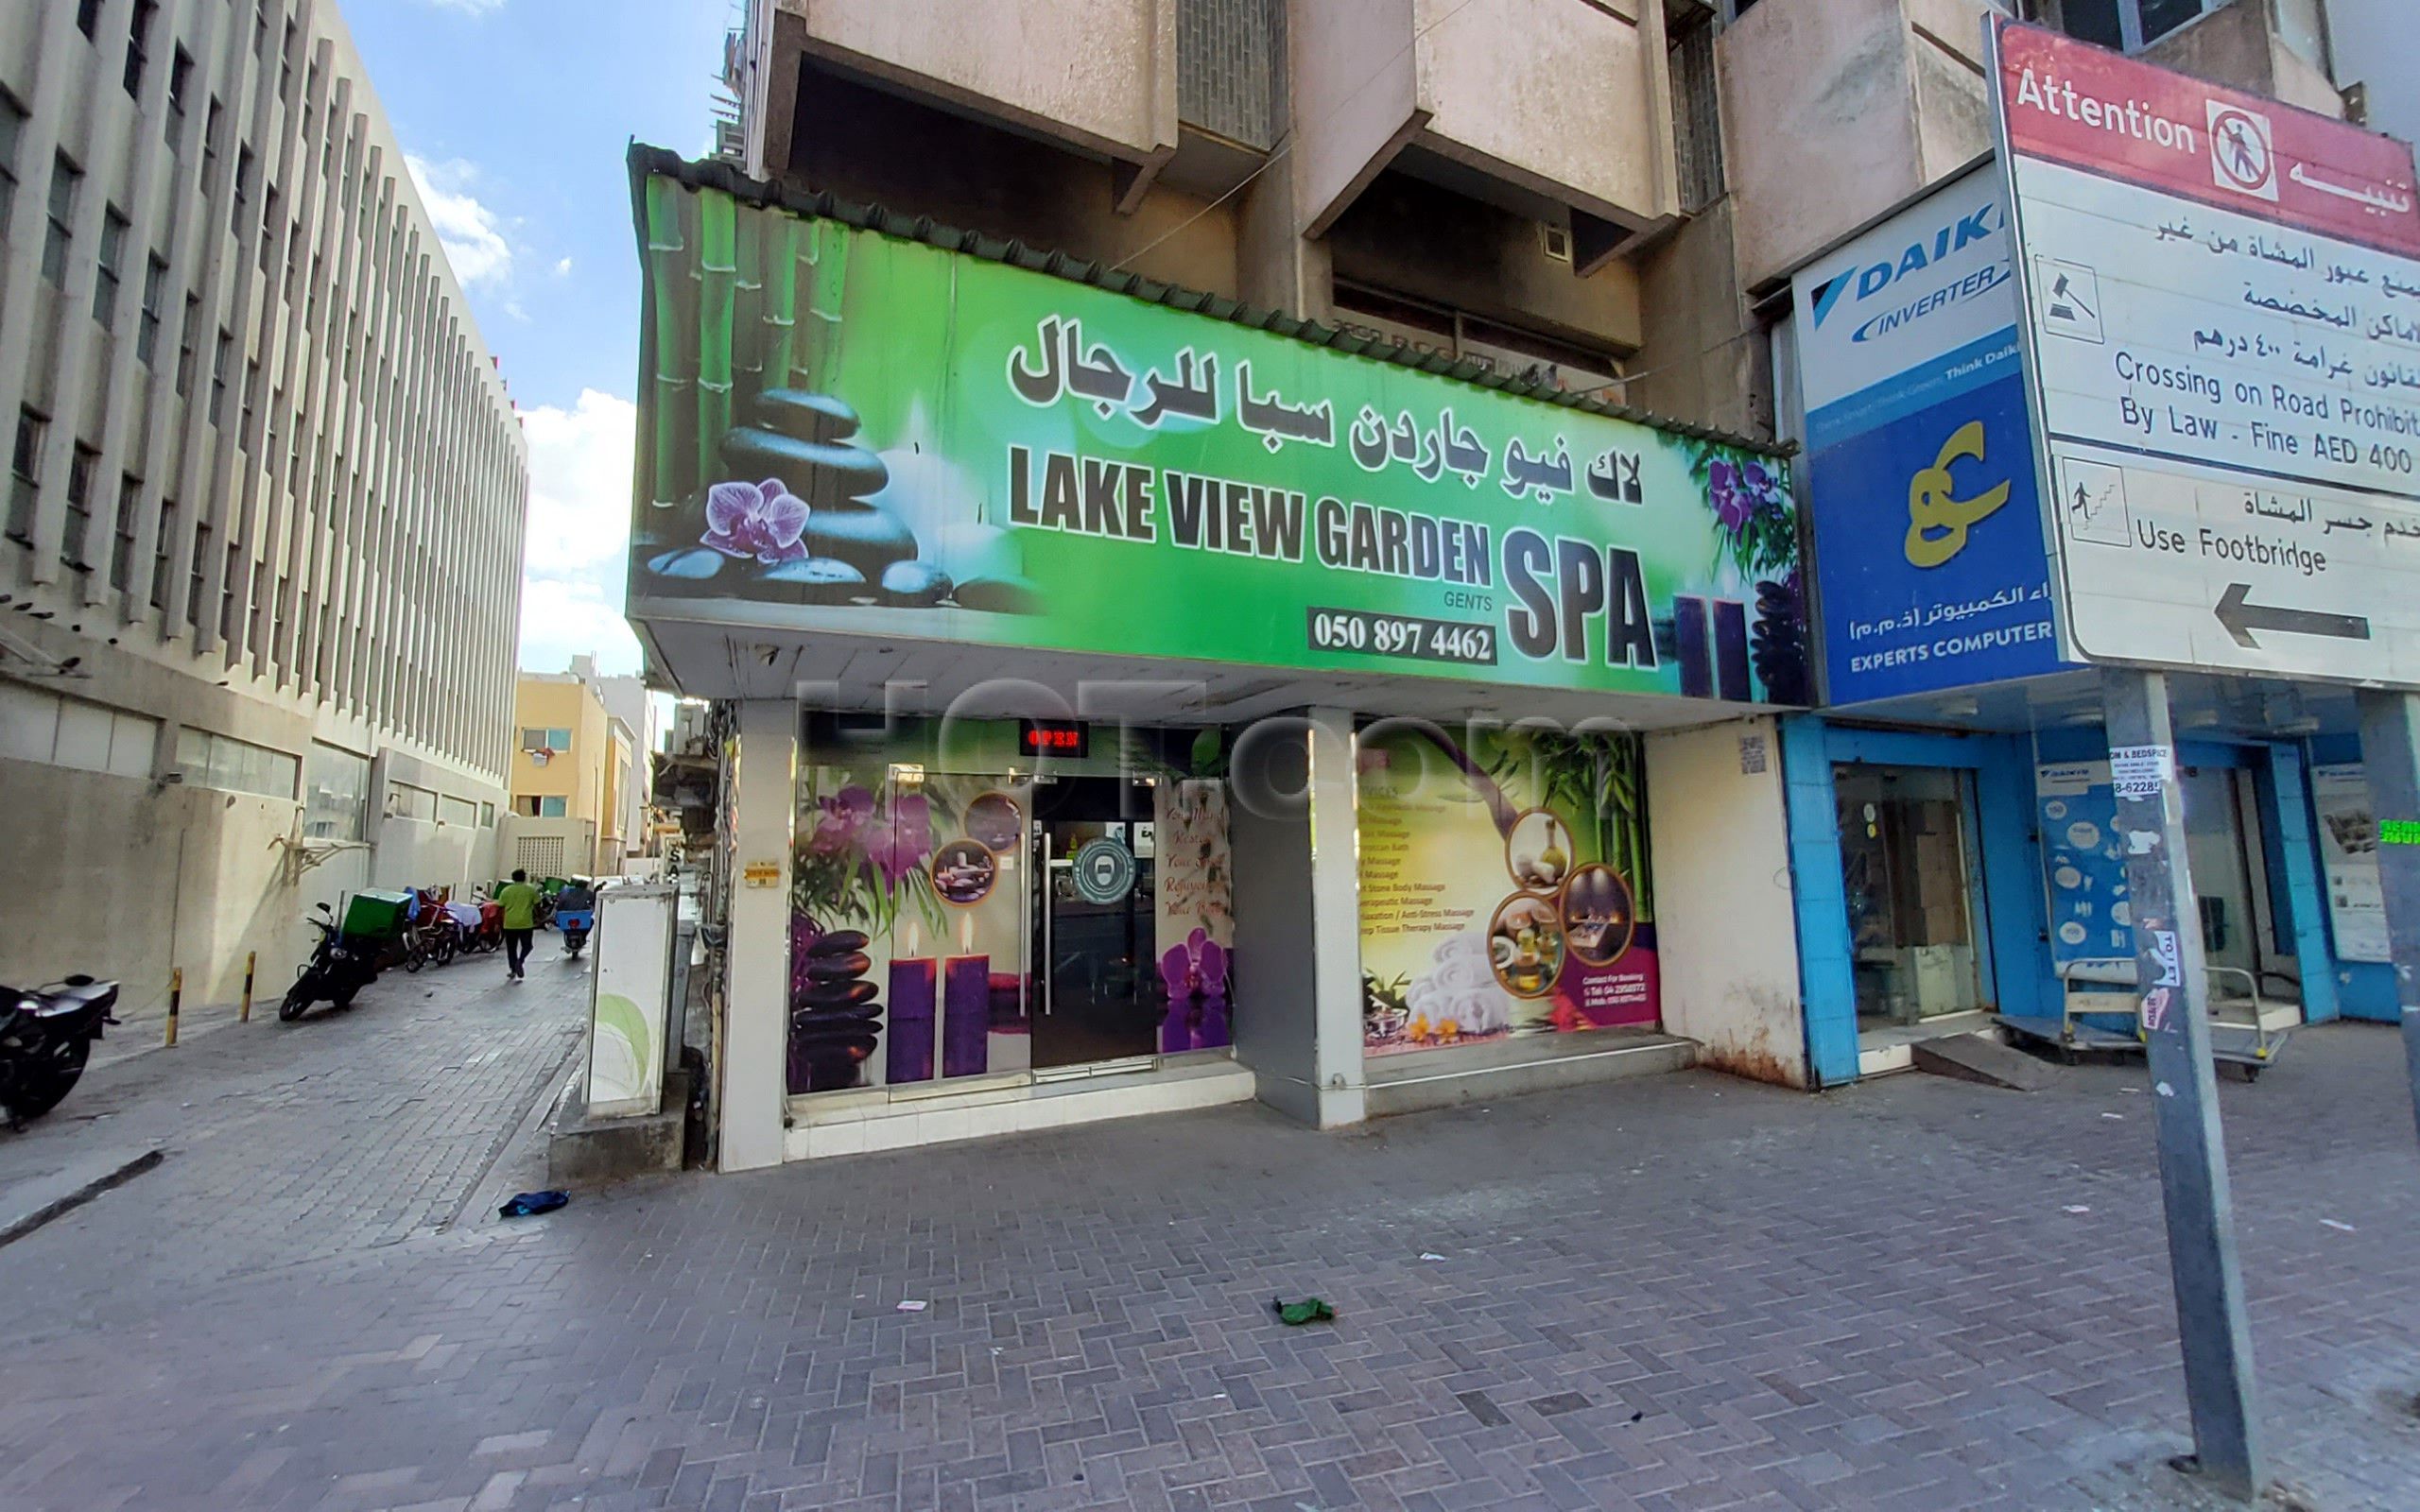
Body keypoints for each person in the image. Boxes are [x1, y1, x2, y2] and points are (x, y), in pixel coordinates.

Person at [497, 868, 542, 981]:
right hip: (525, 924)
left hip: (510, 924)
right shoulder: (531, 890)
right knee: (527, 946)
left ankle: (513, 969)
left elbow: (500, 906)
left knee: (511, 948)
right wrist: (540, 917)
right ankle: (520, 961)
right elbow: (537, 905)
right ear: (524, 878)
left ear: (513, 878)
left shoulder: (506, 891)